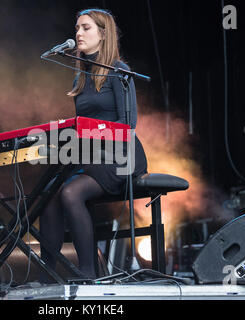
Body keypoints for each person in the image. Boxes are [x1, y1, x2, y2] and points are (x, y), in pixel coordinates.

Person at [39, 8, 147, 281]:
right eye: (77, 28)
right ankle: (46, 273)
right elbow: (84, 127)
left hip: (122, 156)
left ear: (103, 34)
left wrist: (90, 139)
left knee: (71, 193)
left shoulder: (119, 72)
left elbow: (128, 124)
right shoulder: (81, 78)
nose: (78, 33)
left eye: (85, 28)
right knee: (48, 194)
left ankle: (89, 272)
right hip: (93, 158)